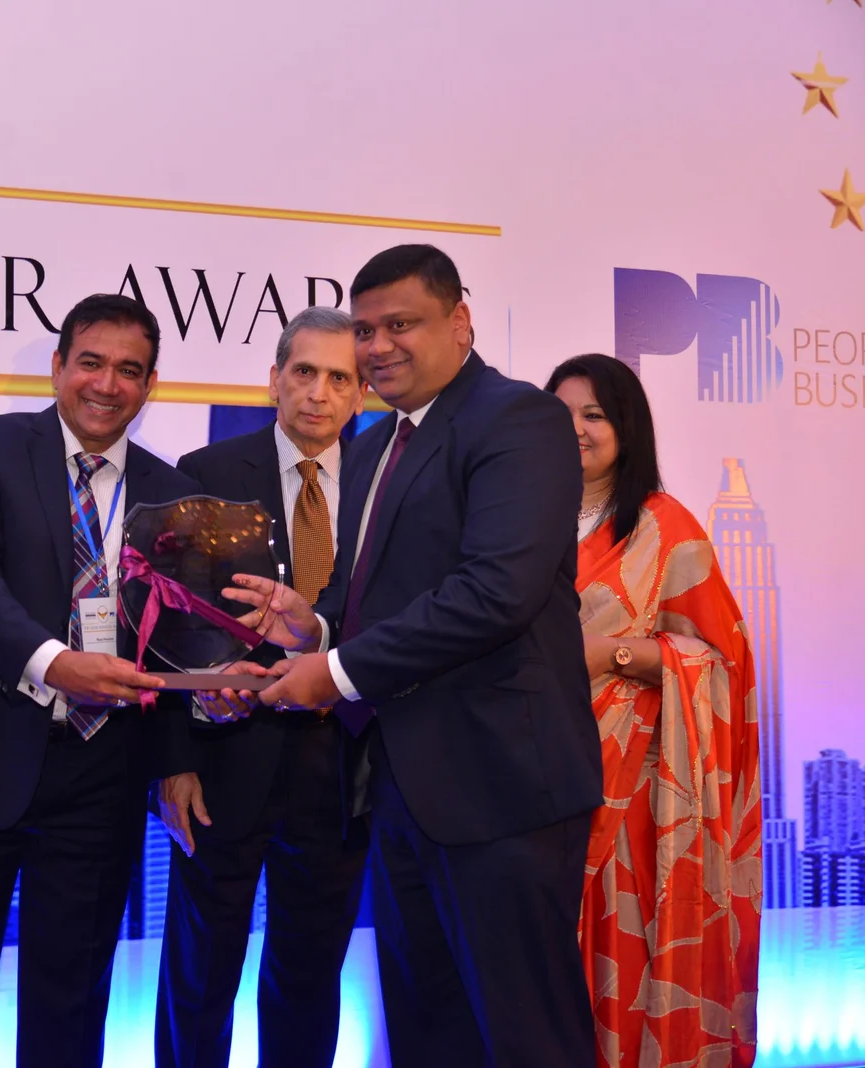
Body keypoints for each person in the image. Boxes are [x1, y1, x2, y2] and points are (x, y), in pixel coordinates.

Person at [230, 245, 603, 1066]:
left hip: (502, 790)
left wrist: (332, 674)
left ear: (460, 322)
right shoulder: (373, 445)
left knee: (526, 1039)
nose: (378, 346)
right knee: (428, 1034)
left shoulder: (518, 419)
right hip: (397, 790)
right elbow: (367, 600)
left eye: (400, 324)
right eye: (365, 330)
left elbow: (495, 592)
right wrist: (311, 628)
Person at [0, 293, 198, 1068]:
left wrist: (183, 748)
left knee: (72, 1005)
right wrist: (55, 664)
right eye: (90, 362)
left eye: (129, 370)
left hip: (103, 775)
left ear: (150, 384)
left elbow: (174, 638)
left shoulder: (171, 491)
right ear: (58, 366)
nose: (107, 384)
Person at [154, 306, 370, 1068]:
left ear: (361, 393)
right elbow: (165, 625)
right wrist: (173, 761)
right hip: (223, 761)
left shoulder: (387, 482)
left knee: (308, 977)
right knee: (200, 975)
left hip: (342, 766)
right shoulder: (207, 473)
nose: (319, 392)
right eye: (304, 372)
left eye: (339, 378)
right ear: (274, 379)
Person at [546, 353, 761, 1068]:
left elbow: (724, 662)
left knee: (622, 960)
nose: (575, 429)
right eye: (560, 414)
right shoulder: (516, 521)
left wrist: (614, 655)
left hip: (635, 797)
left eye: (593, 415)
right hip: (522, 781)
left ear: (627, 428)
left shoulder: (667, 529)